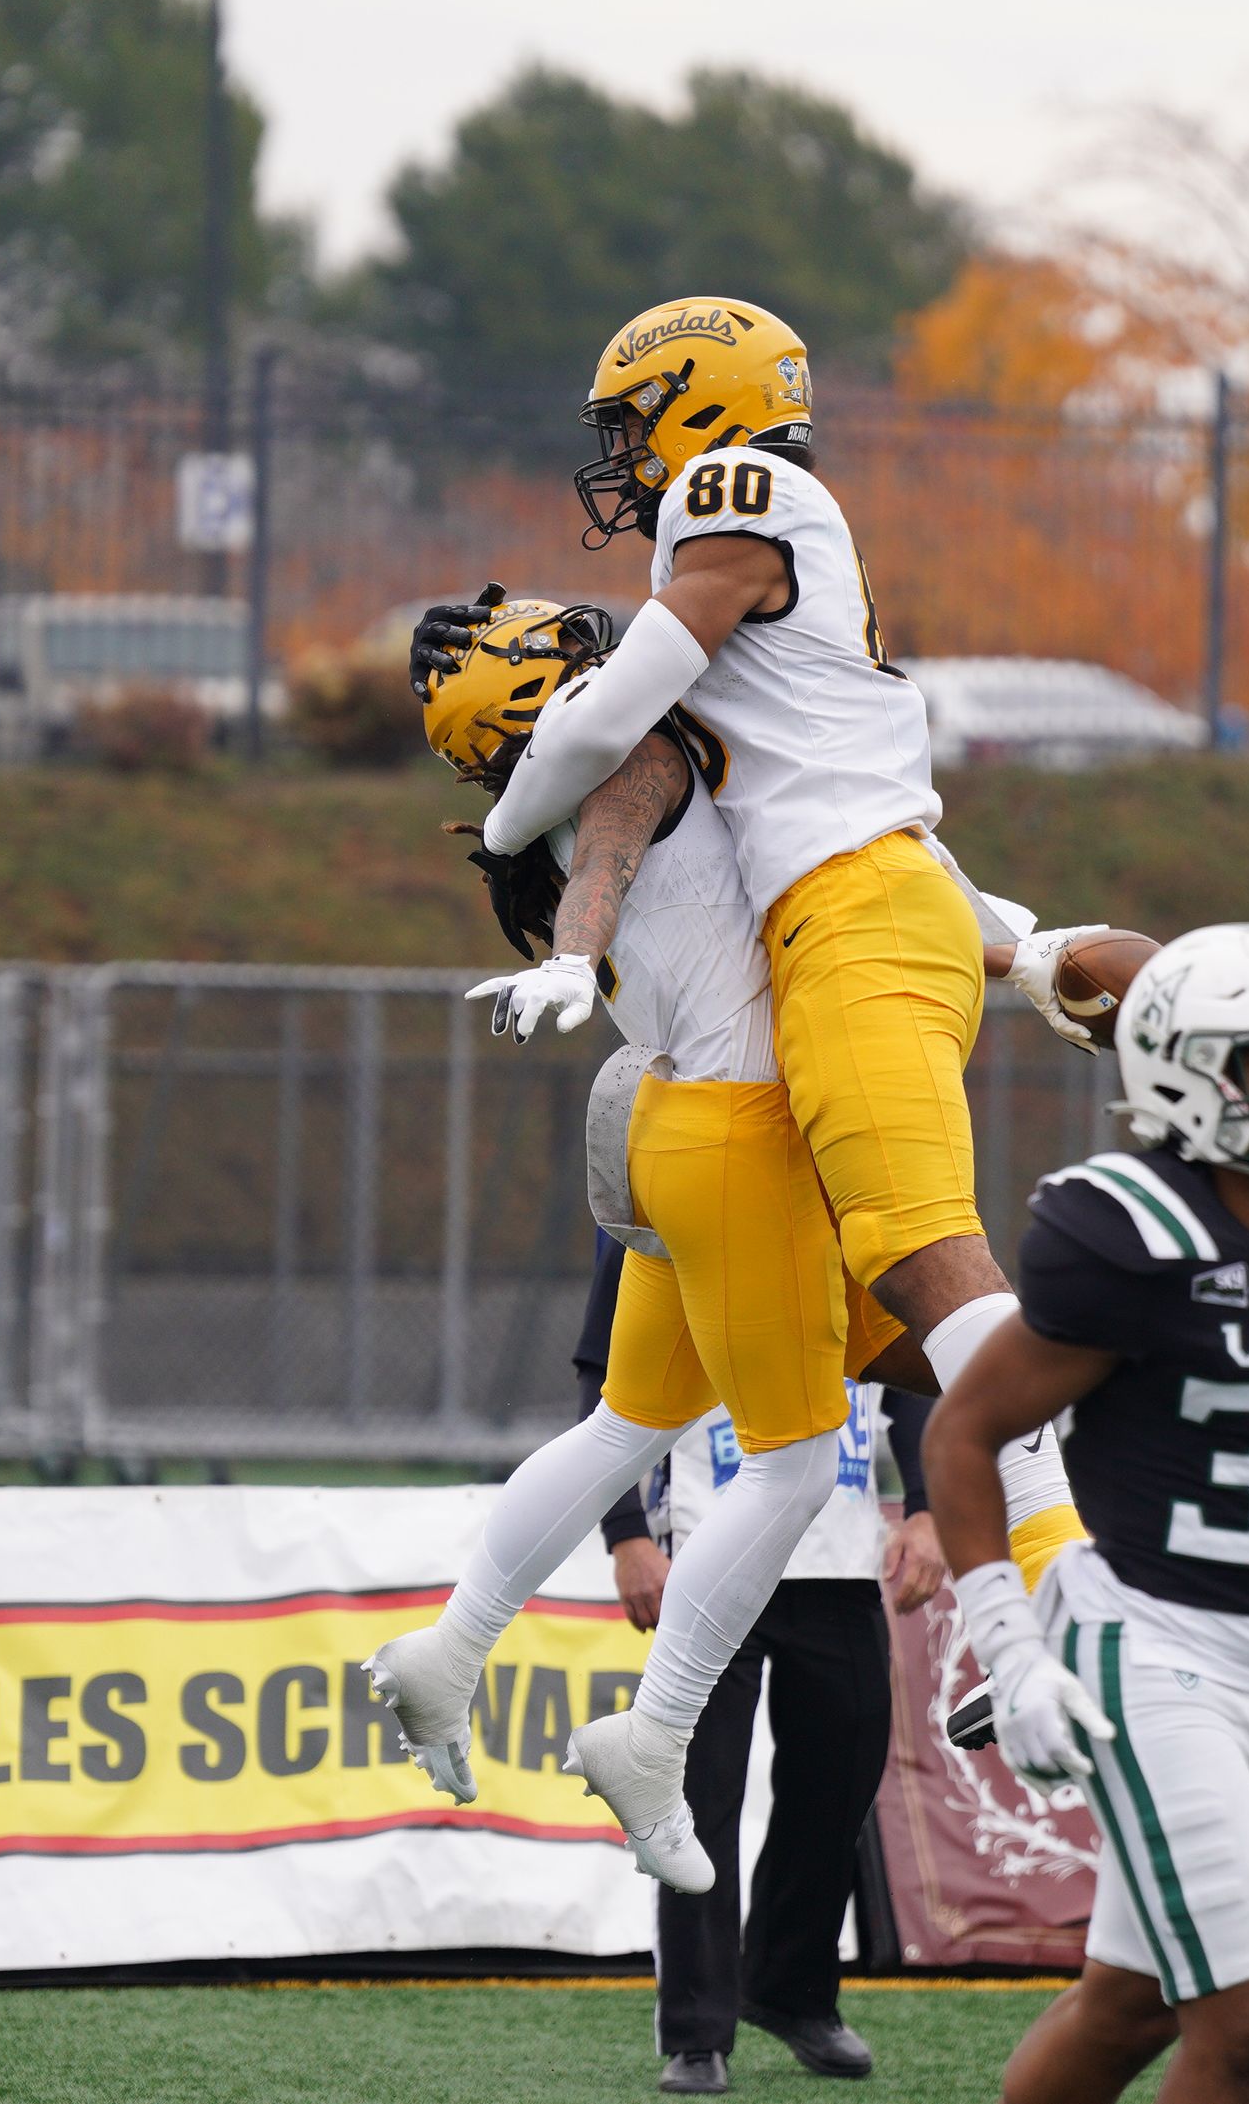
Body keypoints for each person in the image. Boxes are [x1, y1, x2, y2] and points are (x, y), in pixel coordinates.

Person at [368, 598, 1106, 1895]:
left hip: (684, 1120)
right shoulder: (625, 755)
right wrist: (581, 948)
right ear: (532, 689)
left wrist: (1016, 946)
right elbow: (626, 831)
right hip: (745, 1135)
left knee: (631, 1421)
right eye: (549, 642)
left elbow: (810, 855)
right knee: (794, 1458)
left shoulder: (549, 796)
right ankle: (652, 1735)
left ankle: (449, 1651)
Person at [413, 306, 1114, 1644]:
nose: (620, 462)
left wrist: (504, 827)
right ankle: (1049, 1557)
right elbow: (810, 783)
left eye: (630, 426)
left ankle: (1054, 1587)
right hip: (853, 919)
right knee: (844, 1341)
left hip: (854, 918)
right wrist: (1022, 950)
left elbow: (611, 720)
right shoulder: (743, 581)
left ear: (697, 404)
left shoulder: (742, 494)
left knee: (904, 1267)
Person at [923, 925, 1249, 2104]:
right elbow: (962, 1431)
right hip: (1145, 1649)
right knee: (1245, 2023)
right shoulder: (1133, 1235)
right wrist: (1010, 1650)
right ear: (1187, 1077)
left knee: (1133, 2003)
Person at [568, 1233, 930, 2096]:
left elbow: (916, 1367)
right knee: (697, 1798)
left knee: (839, 1781)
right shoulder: (667, 1180)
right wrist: (624, 1530)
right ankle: (697, 2031)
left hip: (839, 1560)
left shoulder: (863, 1187)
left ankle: (793, 1990)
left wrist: (924, 1505)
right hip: (708, 1554)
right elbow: (601, 1368)